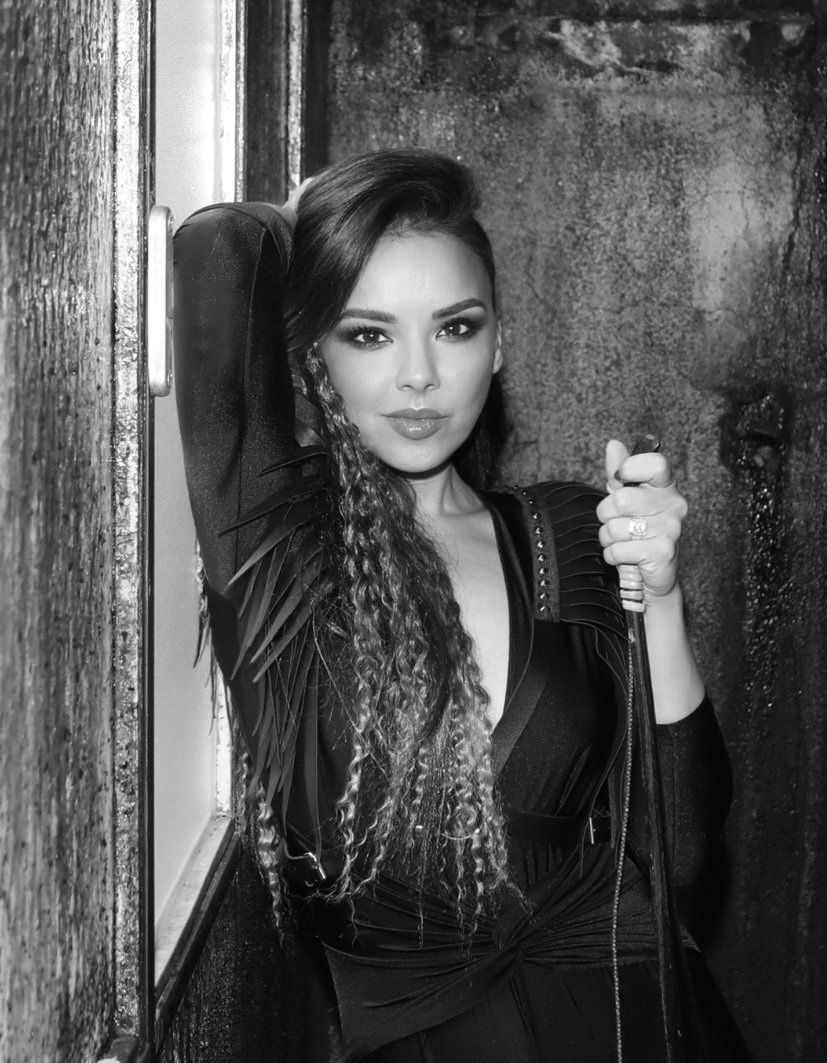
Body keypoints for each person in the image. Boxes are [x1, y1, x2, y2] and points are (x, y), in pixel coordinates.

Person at [174, 149, 745, 1062]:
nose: (418, 375)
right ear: (311, 351)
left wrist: (662, 597)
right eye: (368, 333)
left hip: (640, 1023)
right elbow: (216, 246)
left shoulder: (564, 534)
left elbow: (675, 852)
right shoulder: (274, 550)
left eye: (453, 327)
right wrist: (312, 213)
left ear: (497, 344)